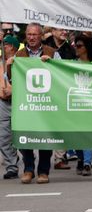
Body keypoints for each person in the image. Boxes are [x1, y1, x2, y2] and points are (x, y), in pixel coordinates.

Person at [16, 23, 55, 183]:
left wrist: (52, 63)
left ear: (41, 36)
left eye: (35, 34)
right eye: (29, 34)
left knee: (45, 137)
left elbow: (62, 72)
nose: (31, 37)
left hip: (46, 102)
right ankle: (28, 169)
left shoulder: (51, 53)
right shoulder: (19, 55)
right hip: (26, 103)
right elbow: (12, 78)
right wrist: (11, 64)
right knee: (25, 136)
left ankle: (43, 171)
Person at [69, 35, 92, 177]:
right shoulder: (71, 64)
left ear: (87, 47)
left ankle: (87, 162)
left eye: (79, 45)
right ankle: (81, 158)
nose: (76, 48)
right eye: (75, 45)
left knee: (88, 133)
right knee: (76, 134)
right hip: (75, 104)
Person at [0, 35, 18, 180]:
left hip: (20, 102)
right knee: (4, 137)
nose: (3, 47)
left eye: (4, 44)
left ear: (12, 46)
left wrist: (14, 90)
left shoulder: (21, 62)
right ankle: (12, 167)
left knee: (22, 135)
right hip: (3, 103)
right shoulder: (0, 62)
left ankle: (29, 164)